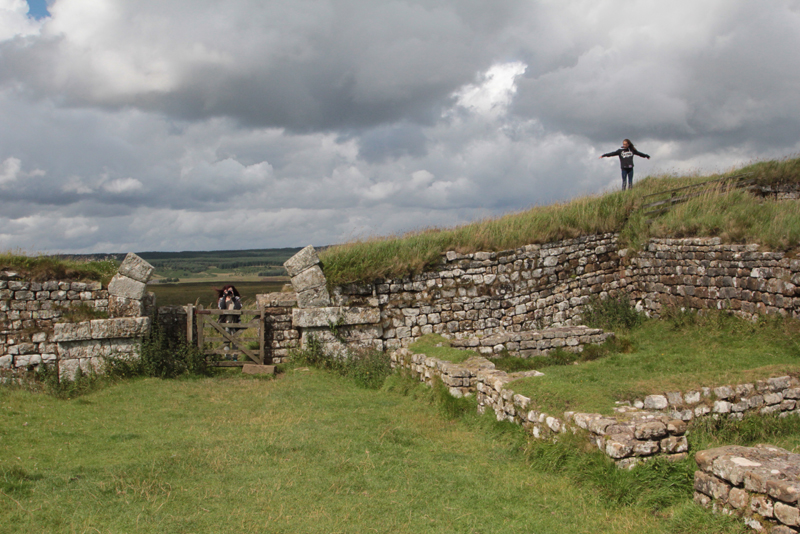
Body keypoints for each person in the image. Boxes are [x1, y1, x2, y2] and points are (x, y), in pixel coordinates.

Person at [215, 285, 242, 352]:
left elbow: (238, 307)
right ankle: (227, 355)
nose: (230, 292)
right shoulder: (222, 300)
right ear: (224, 291)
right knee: (226, 340)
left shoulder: (236, 299)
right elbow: (222, 307)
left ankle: (235, 355)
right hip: (225, 322)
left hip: (234, 322)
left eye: (231, 290)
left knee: (235, 340)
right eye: (228, 290)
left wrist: (233, 298)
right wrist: (225, 297)